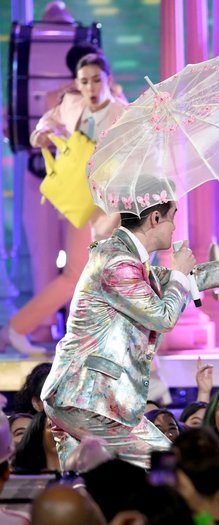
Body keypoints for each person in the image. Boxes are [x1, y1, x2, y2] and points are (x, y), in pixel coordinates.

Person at [40, 191, 219, 469]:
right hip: (89, 397)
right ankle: (203, 514)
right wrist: (180, 275)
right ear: (155, 217)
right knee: (170, 466)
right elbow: (162, 317)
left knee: (87, 483)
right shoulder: (117, 262)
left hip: (79, 398)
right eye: (173, 217)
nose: (174, 226)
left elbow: (189, 279)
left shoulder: (128, 259)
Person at [1, 53, 127, 355]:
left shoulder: (123, 113)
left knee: (110, 278)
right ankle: (18, 328)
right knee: (76, 276)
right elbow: (43, 127)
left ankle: (101, 345)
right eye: (84, 81)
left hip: (110, 207)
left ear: (108, 80)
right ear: (77, 84)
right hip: (80, 204)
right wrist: (41, 135)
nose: (91, 87)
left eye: (97, 80)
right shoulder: (72, 105)